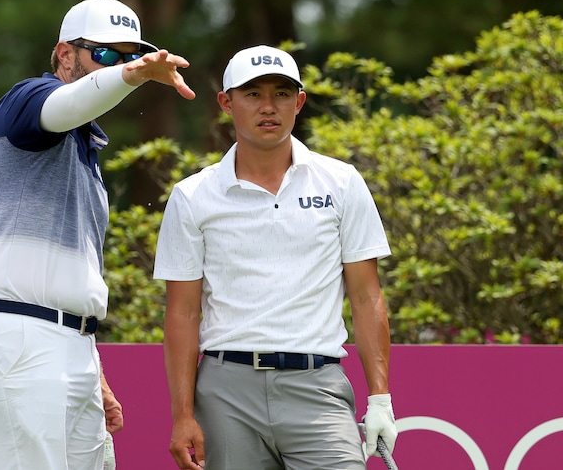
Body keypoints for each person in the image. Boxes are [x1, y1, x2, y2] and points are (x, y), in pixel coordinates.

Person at [0, 0, 195, 470]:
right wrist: (135, 74)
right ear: (63, 55)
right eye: (105, 54)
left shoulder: (84, 147)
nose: (120, 67)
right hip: (14, 338)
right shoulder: (26, 101)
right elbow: (69, 103)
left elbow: (66, 279)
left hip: (64, 344)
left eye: (128, 57)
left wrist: (89, 364)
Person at [154, 45, 397, 470]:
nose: (269, 107)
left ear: (299, 102)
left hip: (317, 388)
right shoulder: (193, 195)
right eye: (252, 94)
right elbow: (183, 313)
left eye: (282, 93)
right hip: (226, 392)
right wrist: (182, 416)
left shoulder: (341, 182)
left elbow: (366, 296)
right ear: (226, 103)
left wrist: (380, 398)